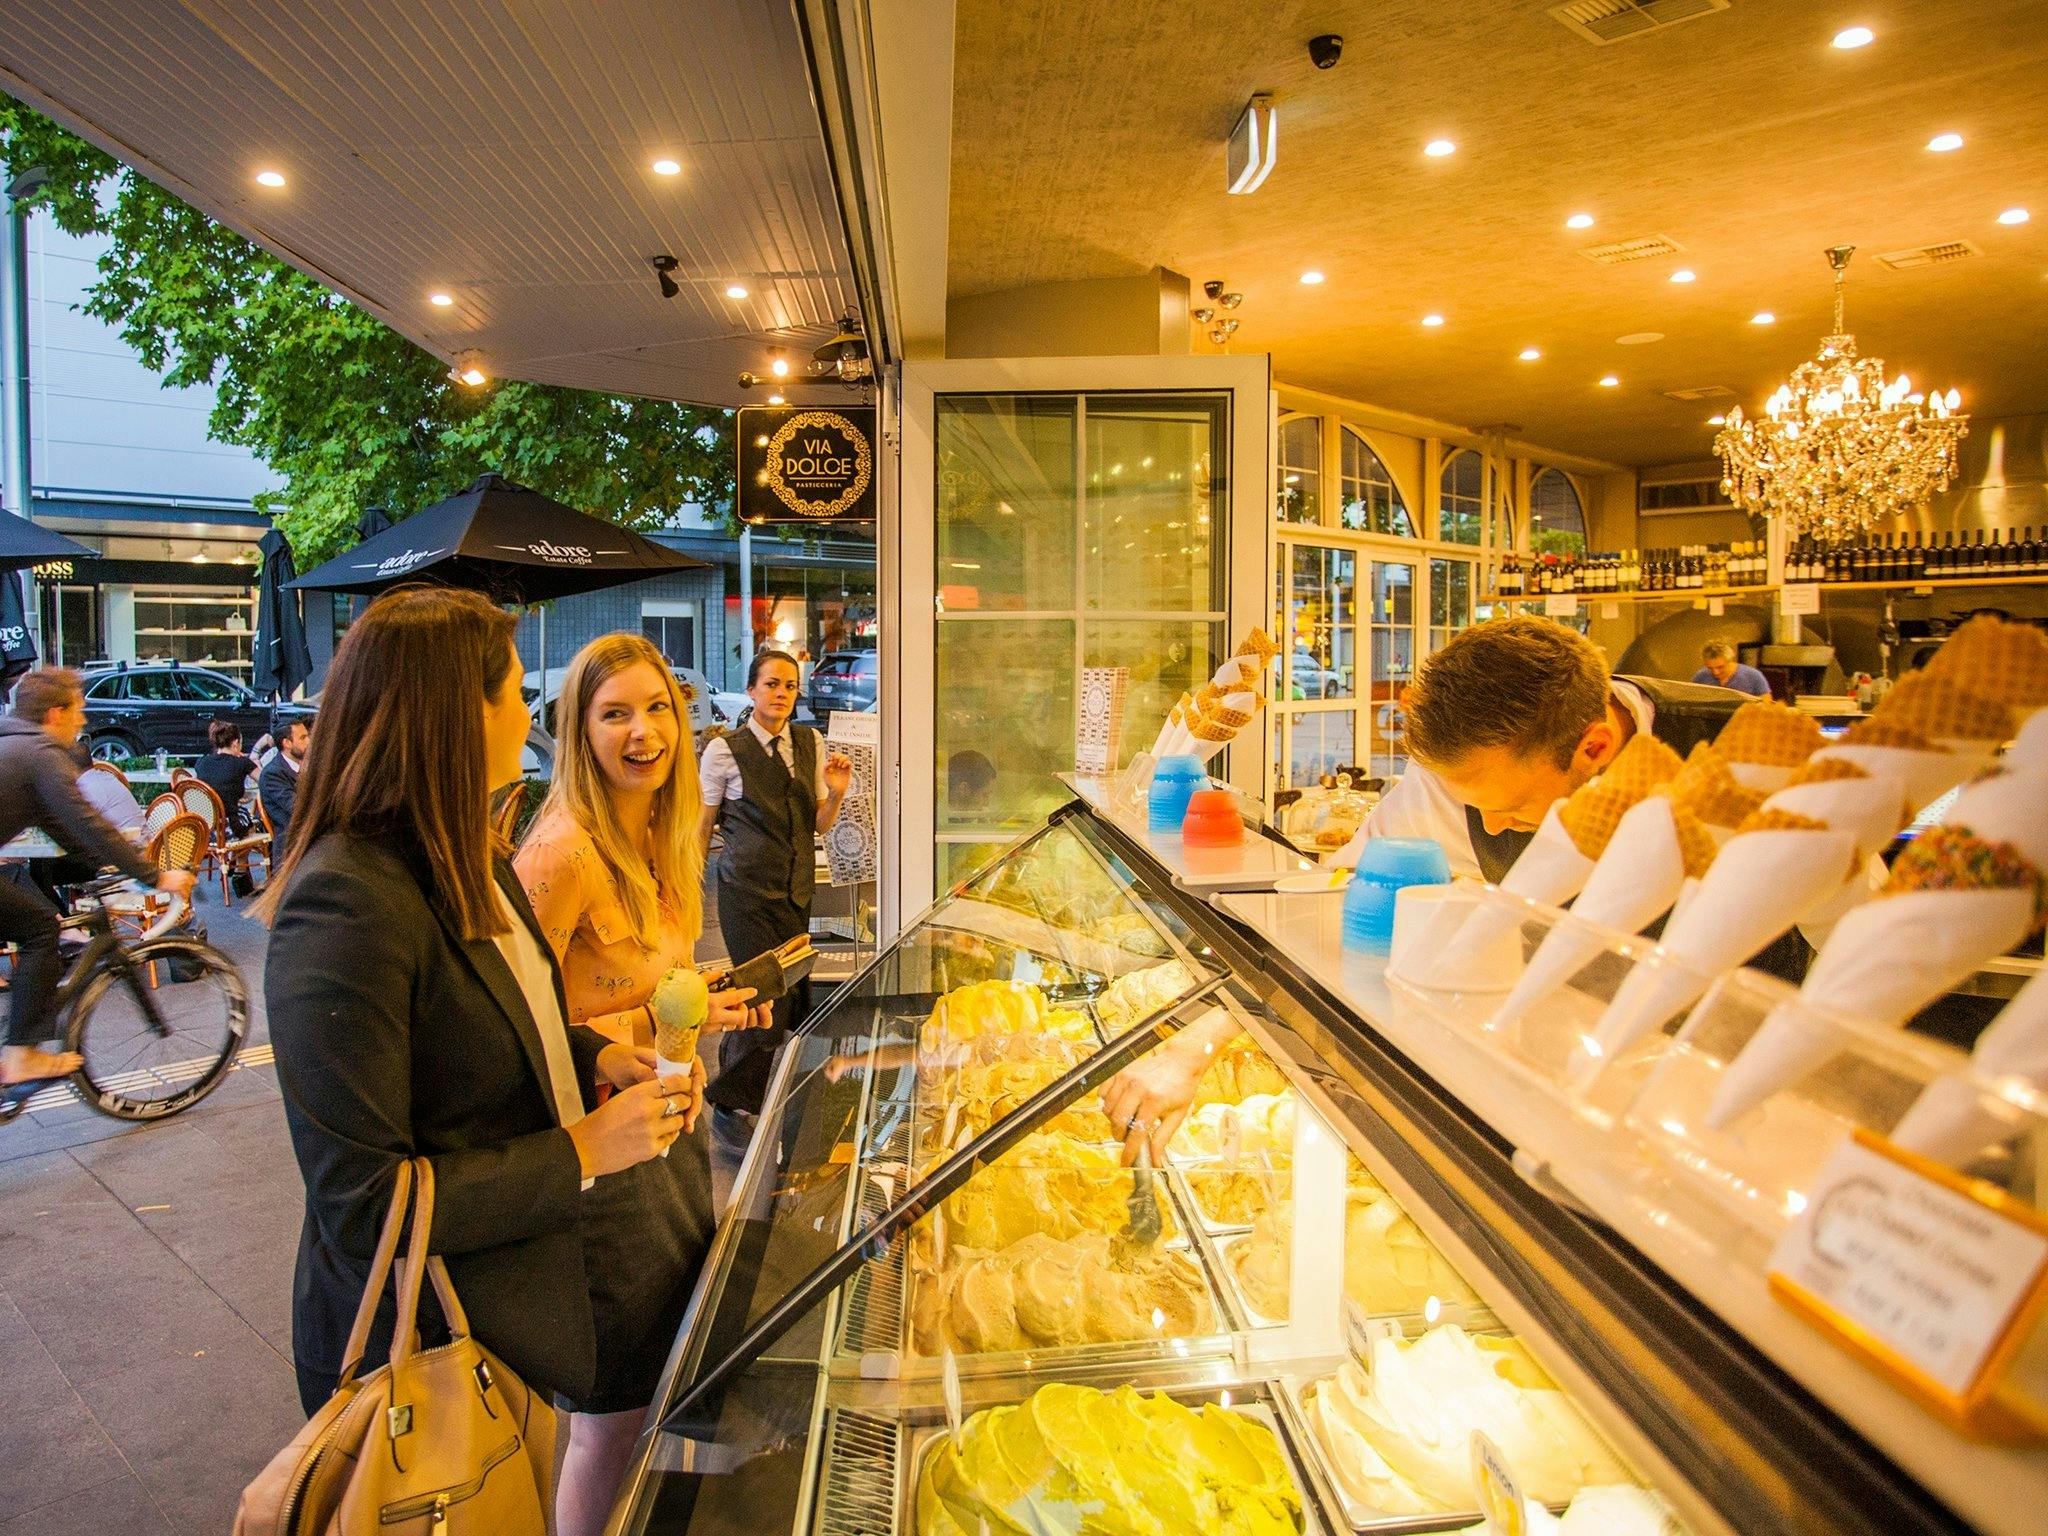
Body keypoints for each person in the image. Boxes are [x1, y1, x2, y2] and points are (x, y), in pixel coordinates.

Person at [259, 587, 702, 1418]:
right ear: (459, 714)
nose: (529, 712)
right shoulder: (348, 900)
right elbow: (363, 1204)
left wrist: (599, 1056)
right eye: (511, 689)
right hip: (419, 1348)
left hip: (507, 1308)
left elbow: (504, 1022)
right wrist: (581, 1152)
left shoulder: (467, 850)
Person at [1103, 617, 1751, 1163]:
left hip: (1746, 1084)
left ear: (1596, 746)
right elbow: (1323, 913)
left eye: (1511, 808)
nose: (1491, 827)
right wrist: (1197, 1041)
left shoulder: (1747, 756)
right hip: (1576, 1081)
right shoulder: (1453, 777)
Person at [514, 634, 764, 1536]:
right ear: (580, 731)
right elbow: (509, 1019)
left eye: (657, 708)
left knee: (662, 1370)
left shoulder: (667, 836)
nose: (643, 731)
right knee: (611, 1412)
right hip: (602, 1161)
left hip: (673, 1127)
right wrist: (609, 1054)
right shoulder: (561, 854)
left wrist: (708, 1013)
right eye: (614, 712)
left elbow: (660, 992)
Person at [0, 668, 194, 1090]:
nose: (84, 721)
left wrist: (106, 869)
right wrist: (156, 875)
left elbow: (66, 830)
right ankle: (21, 1057)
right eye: (80, 710)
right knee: (38, 930)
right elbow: (92, 826)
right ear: (55, 714)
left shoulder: (13, 744)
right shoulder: (42, 754)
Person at [696, 650, 851, 1175]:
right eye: (771, 684)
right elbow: (701, 829)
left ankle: (766, 1100)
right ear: (751, 690)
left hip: (794, 891)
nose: (781, 693)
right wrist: (682, 895)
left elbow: (819, 825)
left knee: (790, 996)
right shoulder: (723, 753)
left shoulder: (810, 742)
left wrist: (837, 795)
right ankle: (731, 1108)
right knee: (758, 996)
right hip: (745, 894)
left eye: (789, 685)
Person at [258, 717, 310, 862]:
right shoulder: (273, 773)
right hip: (292, 847)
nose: (309, 742)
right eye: (303, 738)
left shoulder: (305, 766)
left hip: (310, 838)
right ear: (287, 743)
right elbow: (298, 808)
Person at [195, 718, 259, 834]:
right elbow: (266, 780)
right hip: (228, 826)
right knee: (252, 823)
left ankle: (224, 852)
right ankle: (240, 852)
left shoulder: (201, 762)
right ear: (235, 744)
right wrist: (253, 758)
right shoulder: (242, 763)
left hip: (203, 828)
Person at [1692, 641, 1771, 697]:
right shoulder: (1700, 677)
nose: (1715, 672)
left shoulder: (1754, 676)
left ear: (1730, 660)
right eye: (1710, 668)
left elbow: (1766, 705)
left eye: (1720, 667)